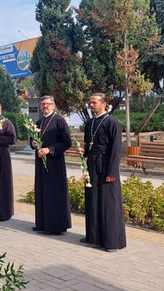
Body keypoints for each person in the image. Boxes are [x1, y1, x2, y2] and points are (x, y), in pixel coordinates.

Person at [81, 93, 126, 252]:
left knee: (108, 203)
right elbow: (89, 144)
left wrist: (112, 172)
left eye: (94, 102)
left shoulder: (112, 122)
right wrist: (84, 151)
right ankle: (94, 237)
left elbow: (116, 150)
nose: (91, 105)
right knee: (93, 201)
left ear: (104, 104)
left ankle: (111, 241)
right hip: (92, 166)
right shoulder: (90, 123)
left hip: (106, 166)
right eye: (90, 102)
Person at [30, 95, 72, 234]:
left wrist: (49, 149)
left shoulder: (59, 120)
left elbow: (67, 142)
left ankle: (55, 226)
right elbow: (32, 140)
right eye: (42, 104)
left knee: (54, 193)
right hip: (40, 162)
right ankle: (42, 223)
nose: (45, 106)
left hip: (54, 162)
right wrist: (33, 143)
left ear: (53, 105)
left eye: (47, 104)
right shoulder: (39, 121)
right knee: (42, 191)